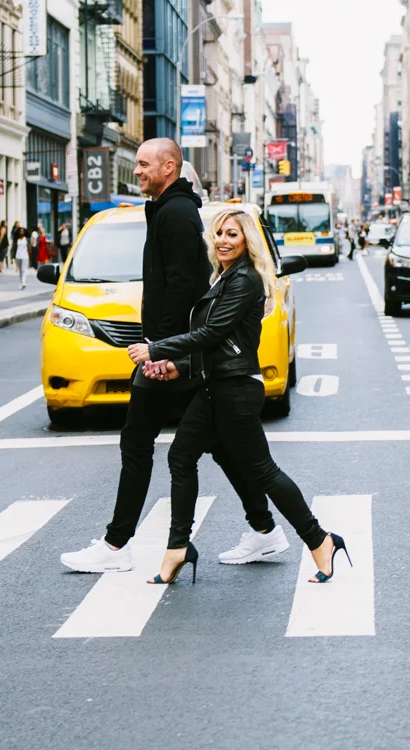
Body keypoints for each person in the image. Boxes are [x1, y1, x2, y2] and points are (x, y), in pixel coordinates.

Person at [61, 138, 284, 574]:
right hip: (172, 351)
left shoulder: (177, 215)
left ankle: (116, 544)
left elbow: (186, 287)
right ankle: (264, 529)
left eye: (144, 164)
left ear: (169, 167)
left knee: (137, 440)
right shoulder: (166, 210)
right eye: (137, 164)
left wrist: (162, 354)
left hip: (169, 355)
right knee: (218, 443)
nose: (137, 171)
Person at [128, 208, 348, 586]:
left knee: (262, 471)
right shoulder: (224, 279)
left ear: (246, 240)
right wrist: (178, 366)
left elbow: (212, 334)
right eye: (218, 234)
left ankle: (319, 540)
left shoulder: (245, 279)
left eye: (232, 234)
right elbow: (220, 343)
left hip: (236, 392)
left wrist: (158, 350)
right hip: (216, 387)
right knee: (181, 456)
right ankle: (178, 547)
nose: (223, 240)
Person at [12, 224, 29, 289]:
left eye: (23, 231)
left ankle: (24, 282)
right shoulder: (16, 240)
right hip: (18, 256)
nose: (21, 232)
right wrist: (12, 257)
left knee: (24, 269)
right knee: (20, 270)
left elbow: (29, 246)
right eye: (20, 231)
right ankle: (21, 281)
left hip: (25, 255)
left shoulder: (26, 239)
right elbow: (13, 248)